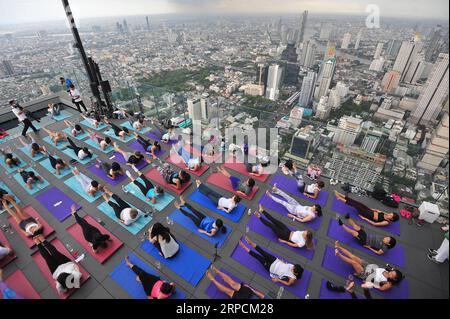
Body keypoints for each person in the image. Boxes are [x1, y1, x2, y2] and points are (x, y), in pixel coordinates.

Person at [334, 241, 403, 291]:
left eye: (392, 274)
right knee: (353, 256)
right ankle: (339, 247)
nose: (390, 272)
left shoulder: (388, 283)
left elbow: (382, 289)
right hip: (369, 266)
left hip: (366, 275)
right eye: (392, 271)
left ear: (394, 279)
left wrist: (370, 283)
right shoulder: (389, 270)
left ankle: (338, 255)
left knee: (354, 263)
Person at [238, 236, 303, 286]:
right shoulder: (294, 267)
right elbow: (286, 264)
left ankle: (244, 247)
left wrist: (278, 280)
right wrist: (280, 261)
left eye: (293, 269)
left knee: (258, 257)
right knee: (262, 252)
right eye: (293, 267)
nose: (292, 267)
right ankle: (251, 243)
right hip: (275, 260)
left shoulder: (293, 279)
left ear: (296, 273)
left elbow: (288, 284)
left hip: (271, 268)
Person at [334, 191, 399, 227]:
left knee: (354, 205)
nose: (389, 214)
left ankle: (339, 198)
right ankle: (340, 194)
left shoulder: (386, 222)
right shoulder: (387, 214)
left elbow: (375, 224)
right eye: (391, 213)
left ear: (392, 219)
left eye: (391, 215)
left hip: (367, 214)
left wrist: (365, 218)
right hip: (369, 210)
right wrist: (373, 209)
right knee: (356, 202)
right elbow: (379, 211)